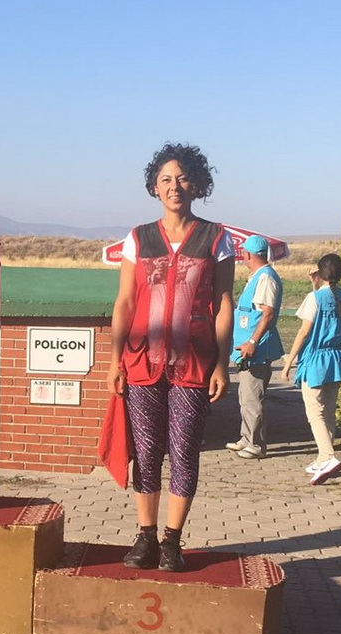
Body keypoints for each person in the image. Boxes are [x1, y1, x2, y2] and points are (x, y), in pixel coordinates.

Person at [106, 142, 235, 571]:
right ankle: (144, 536)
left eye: (182, 179)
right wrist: (115, 361)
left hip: (193, 364)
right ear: (154, 188)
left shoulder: (216, 238)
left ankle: (172, 541)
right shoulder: (138, 238)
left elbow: (223, 303)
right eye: (165, 179)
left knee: (184, 452)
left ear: (197, 185)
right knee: (146, 451)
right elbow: (125, 302)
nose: (174, 186)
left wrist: (222, 364)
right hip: (142, 361)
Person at [281, 253, 341, 486]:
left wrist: (288, 362)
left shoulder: (314, 298)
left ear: (320, 273)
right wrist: (316, 286)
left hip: (316, 360)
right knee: (328, 411)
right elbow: (329, 311)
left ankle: (329, 457)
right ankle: (323, 458)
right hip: (336, 357)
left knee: (315, 412)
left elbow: (305, 331)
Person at [225, 234, 284, 460]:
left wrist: (252, 341)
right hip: (246, 349)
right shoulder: (256, 277)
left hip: (256, 349)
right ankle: (246, 437)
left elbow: (267, 314)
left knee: (253, 397)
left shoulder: (266, 278)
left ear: (247, 254)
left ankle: (256, 444)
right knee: (245, 395)